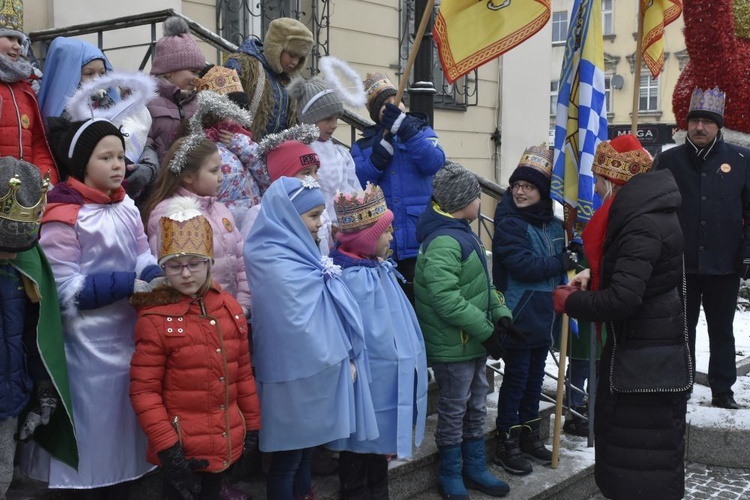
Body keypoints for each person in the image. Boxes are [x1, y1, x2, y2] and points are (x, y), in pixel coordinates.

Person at [23, 117, 161, 497]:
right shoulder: (64, 216)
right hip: (86, 342)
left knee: (124, 416)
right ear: (82, 163)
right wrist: (124, 285)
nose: (119, 164)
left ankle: (121, 476)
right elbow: (63, 290)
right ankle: (85, 482)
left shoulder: (127, 205)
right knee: (94, 419)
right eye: (106, 157)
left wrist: (153, 272)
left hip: (127, 331)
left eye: (120, 156)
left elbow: (140, 251)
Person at [553, 135, 690, 500]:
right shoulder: (648, 212)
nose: (594, 189)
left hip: (642, 359)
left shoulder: (639, 223)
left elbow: (623, 300)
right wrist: (594, 278)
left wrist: (571, 303)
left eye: (597, 180)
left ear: (612, 180)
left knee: (639, 463)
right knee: (645, 459)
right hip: (648, 351)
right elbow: (638, 277)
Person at [244, 176, 377, 500]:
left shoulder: (299, 252)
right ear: (289, 216)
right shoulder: (271, 259)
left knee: (303, 451)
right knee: (288, 457)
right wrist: (338, 354)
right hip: (292, 373)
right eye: (314, 216)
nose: (321, 224)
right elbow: (294, 323)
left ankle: (304, 494)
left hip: (313, 367)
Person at [130, 198, 260, 500]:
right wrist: (168, 447)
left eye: (194, 264)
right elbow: (144, 391)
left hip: (224, 440)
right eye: (175, 266)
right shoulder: (155, 318)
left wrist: (251, 426)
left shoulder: (228, 308)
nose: (186, 274)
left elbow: (242, 375)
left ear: (209, 263)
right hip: (182, 448)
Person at [414, 162, 513, 499]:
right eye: (477, 197)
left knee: (475, 405)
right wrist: (486, 331)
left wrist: (500, 315)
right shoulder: (443, 240)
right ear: (463, 203)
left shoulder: (461, 232)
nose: (481, 203)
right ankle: (451, 472)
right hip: (454, 345)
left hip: (470, 342)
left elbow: (480, 287)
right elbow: (447, 300)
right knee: (454, 410)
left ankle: (474, 466)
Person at [327, 183, 428, 499]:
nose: (392, 237)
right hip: (363, 380)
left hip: (381, 378)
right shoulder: (352, 279)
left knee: (377, 446)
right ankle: (356, 491)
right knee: (359, 445)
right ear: (368, 239)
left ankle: (378, 491)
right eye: (386, 232)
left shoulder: (378, 269)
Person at [652, 86, 749, 409]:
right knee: (681, 328)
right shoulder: (668, 160)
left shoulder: (741, 160)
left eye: (708, 122)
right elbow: (654, 210)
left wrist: (747, 253)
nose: (700, 127)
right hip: (680, 263)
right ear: (687, 124)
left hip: (725, 262)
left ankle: (723, 389)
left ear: (718, 126)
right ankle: (682, 383)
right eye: (695, 121)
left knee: (723, 329)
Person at [491, 145, 574, 475]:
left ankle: (529, 432)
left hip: (545, 315)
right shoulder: (510, 223)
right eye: (517, 186)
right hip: (519, 314)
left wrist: (572, 251)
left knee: (535, 379)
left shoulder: (553, 225)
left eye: (529, 186)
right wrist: (559, 261)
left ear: (543, 191)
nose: (521, 191)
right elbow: (522, 265)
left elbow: (561, 263)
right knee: (516, 379)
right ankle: (506, 439)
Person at [0, 158, 76, 498]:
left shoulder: (25, 266)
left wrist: (42, 386)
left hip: (8, 402)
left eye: (21, 248)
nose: (14, 256)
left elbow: (35, 332)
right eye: (6, 247)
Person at [353, 72, 445, 303]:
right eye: (383, 105)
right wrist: (377, 159)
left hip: (419, 237)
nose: (392, 106)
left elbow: (434, 162)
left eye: (396, 100)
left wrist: (406, 131)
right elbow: (358, 182)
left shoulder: (422, 131)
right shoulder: (363, 145)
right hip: (385, 242)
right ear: (376, 114)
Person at [143, 135, 251, 317]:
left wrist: (243, 305)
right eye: (214, 170)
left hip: (232, 314)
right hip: (199, 319)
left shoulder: (221, 210)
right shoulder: (169, 215)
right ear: (189, 177)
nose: (221, 177)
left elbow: (241, 262)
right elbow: (170, 274)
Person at [287, 64, 364, 253]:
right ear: (309, 119)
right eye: (327, 119)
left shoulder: (340, 154)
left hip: (342, 234)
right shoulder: (299, 153)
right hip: (313, 232)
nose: (334, 125)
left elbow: (353, 190)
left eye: (336, 118)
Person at [188, 88, 270, 234]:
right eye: (228, 112)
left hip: (254, 217)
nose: (233, 119)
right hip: (223, 223)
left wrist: (240, 143)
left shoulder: (242, 139)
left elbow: (265, 173)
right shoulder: (202, 146)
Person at [224, 18, 313, 141]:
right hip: (242, 146)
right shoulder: (242, 66)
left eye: (300, 58)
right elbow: (223, 108)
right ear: (276, 47)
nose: (295, 62)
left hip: (279, 150)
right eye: (292, 55)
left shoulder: (293, 80)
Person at [0, 18, 59, 184]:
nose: (17, 46)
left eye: (19, 40)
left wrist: (46, 181)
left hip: (24, 193)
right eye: (10, 38)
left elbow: (38, 143)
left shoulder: (26, 89)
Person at [241, 125, 322, 240]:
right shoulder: (260, 215)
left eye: (316, 171)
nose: (315, 178)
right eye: (307, 173)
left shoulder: (318, 209)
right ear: (283, 177)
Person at [147, 16, 206, 162]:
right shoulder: (148, 100)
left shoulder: (197, 102)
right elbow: (141, 140)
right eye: (193, 71)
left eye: (198, 73)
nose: (197, 78)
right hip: (158, 180)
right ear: (169, 71)